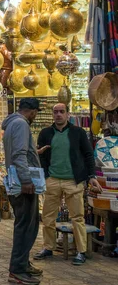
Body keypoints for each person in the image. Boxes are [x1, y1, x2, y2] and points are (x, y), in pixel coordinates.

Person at [34, 103, 103, 265]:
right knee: (48, 217)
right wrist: (45, 175)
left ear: (67, 114)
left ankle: (81, 251)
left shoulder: (77, 132)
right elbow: (41, 156)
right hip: (53, 180)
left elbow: (88, 155)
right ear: (53, 114)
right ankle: (48, 247)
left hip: (73, 180)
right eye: (56, 112)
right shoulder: (45, 133)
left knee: (77, 217)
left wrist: (91, 176)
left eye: (61, 112)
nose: (58, 115)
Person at [1, 98, 44, 285]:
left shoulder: (12, 123)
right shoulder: (21, 124)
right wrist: (26, 180)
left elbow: (21, 153)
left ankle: (23, 263)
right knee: (25, 226)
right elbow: (18, 154)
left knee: (29, 223)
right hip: (22, 184)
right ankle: (17, 269)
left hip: (18, 181)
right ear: (32, 111)